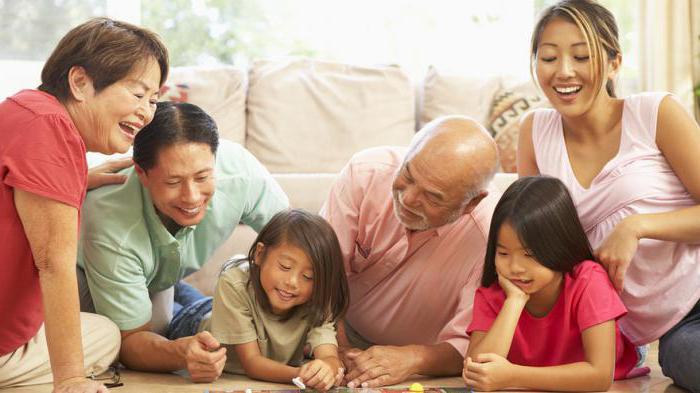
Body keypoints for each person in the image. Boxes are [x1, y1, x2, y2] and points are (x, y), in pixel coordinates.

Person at [517, 1, 700, 391]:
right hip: (664, 329)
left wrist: (636, 226)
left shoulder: (655, 113)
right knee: (687, 360)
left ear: (615, 62)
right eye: (548, 57)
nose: (564, 71)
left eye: (582, 56)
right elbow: (532, 244)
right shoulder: (534, 132)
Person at [0, 18, 168, 392]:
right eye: (138, 94)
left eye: (154, 100)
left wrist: (77, 178)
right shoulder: (50, 128)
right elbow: (53, 263)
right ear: (80, 82)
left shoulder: (25, 111)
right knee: (107, 336)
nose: (147, 112)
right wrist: (72, 380)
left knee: (102, 331)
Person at [77, 101, 289, 382]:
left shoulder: (239, 172)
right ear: (142, 173)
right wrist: (181, 353)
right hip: (89, 276)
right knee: (158, 333)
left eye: (202, 177)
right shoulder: (110, 224)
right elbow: (131, 342)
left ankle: (181, 293)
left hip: (158, 274)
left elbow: (300, 243)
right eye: (173, 182)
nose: (191, 197)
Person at [320, 115, 500, 387]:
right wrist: (336, 348)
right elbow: (320, 272)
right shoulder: (365, 173)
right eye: (408, 175)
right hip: (330, 329)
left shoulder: (491, 237)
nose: (409, 198)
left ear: (470, 203)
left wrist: (416, 359)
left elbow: (473, 346)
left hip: (420, 363)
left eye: (433, 196)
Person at [464, 176, 649, 392]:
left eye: (529, 255)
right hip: (547, 365)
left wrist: (514, 376)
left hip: (605, 361)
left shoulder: (588, 280)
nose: (514, 267)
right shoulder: (494, 292)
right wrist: (514, 301)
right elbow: (479, 372)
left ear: (558, 247)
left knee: (621, 346)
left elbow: (599, 376)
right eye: (503, 253)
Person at [170, 209, 350, 390]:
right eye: (285, 267)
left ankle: (177, 286)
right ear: (260, 254)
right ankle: (171, 283)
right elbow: (252, 363)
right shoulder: (233, 283)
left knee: (193, 296)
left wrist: (328, 368)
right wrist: (301, 374)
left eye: (308, 276)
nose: (292, 282)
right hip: (194, 321)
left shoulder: (317, 297)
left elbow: (329, 356)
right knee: (169, 303)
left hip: (227, 309)